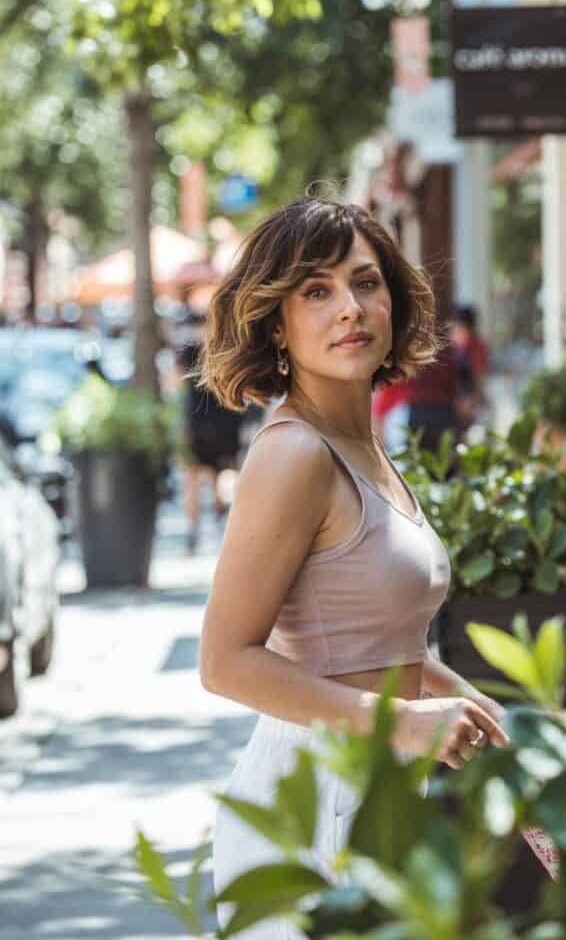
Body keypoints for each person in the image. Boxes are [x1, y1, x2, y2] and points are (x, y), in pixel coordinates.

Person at [198, 198, 509, 937]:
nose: (350, 308)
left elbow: (375, 641)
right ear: (277, 323)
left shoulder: (360, 446)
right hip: (316, 798)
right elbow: (224, 662)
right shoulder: (293, 454)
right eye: (317, 290)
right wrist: (397, 722)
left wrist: (491, 715)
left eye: (365, 283)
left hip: (378, 783)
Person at [176, 313, 244, 553]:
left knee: (216, 477)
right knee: (195, 477)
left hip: (219, 423)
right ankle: (197, 527)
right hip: (202, 424)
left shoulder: (222, 351)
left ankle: (213, 521)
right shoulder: (191, 352)